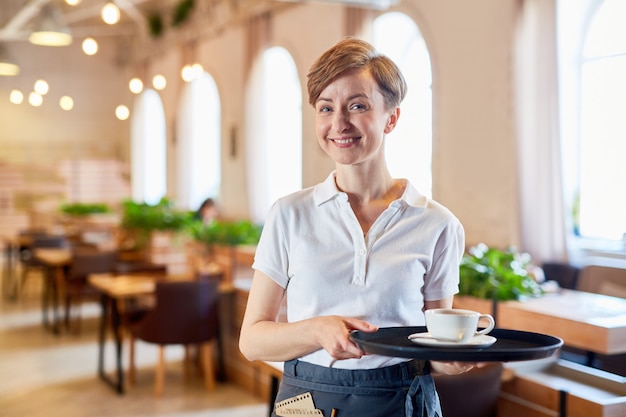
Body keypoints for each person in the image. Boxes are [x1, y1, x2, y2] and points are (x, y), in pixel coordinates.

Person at [239, 37, 475, 417]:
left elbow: (434, 353)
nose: (338, 123)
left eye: (358, 106)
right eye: (325, 108)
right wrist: (316, 330)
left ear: (392, 117)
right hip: (307, 404)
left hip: (402, 403)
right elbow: (252, 341)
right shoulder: (289, 214)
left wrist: (459, 352)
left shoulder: (438, 225)